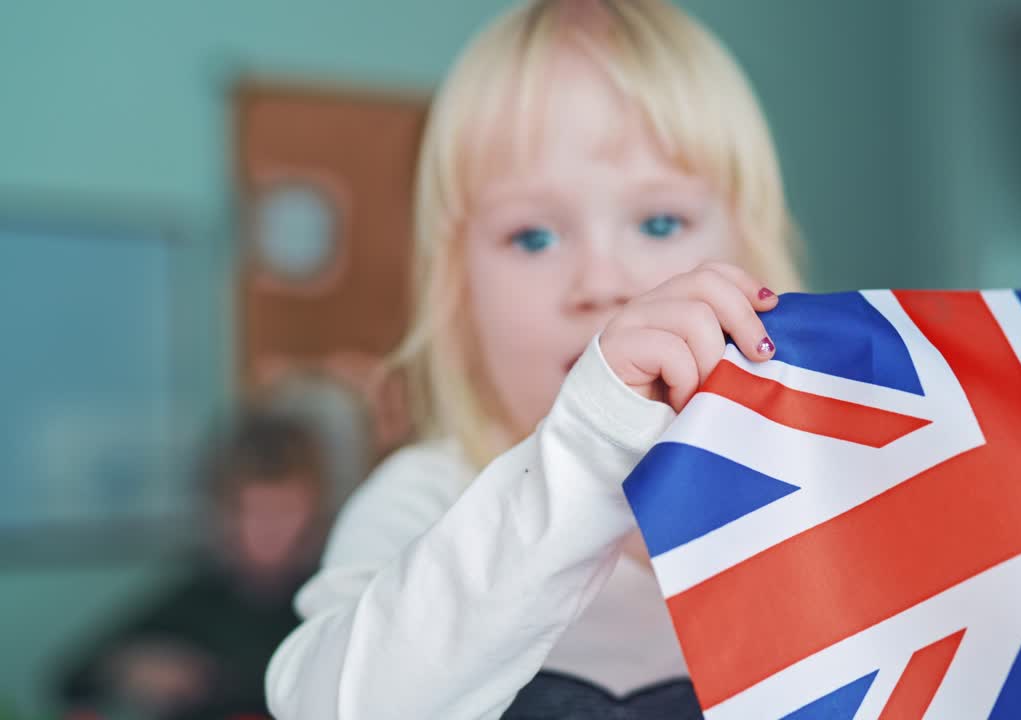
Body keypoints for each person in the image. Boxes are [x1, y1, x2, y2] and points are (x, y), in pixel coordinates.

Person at [265, 1, 806, 717]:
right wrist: (589, 449)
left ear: (750, 255)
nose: (601, 283)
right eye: (533, 238)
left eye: (660, 221)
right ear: (459, 291)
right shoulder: (425, 498)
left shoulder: (816, 494)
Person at [58, 410, 331, 720]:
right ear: (224, 512)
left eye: (284, 510)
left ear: (314, 510)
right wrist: (128, 667)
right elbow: (70, 679)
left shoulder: (331, 602)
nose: (269, 530)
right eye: (253, 511)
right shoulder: (194, 600)